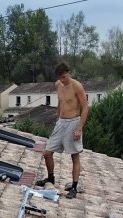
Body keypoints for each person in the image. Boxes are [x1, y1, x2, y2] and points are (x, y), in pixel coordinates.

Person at [36, 62, 88, 199]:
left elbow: (86, 108)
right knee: (47, 153)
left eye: (64, 77)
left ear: (69, 73)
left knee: (74, 156)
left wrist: (79, 128)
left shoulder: (77, 86)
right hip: (61, 122)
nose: (62, 80)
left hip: (74, 122)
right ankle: (50, 178)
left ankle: (74, 187)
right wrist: (58, 119)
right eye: (60, 78)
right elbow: (60, 102)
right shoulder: (58, 85)